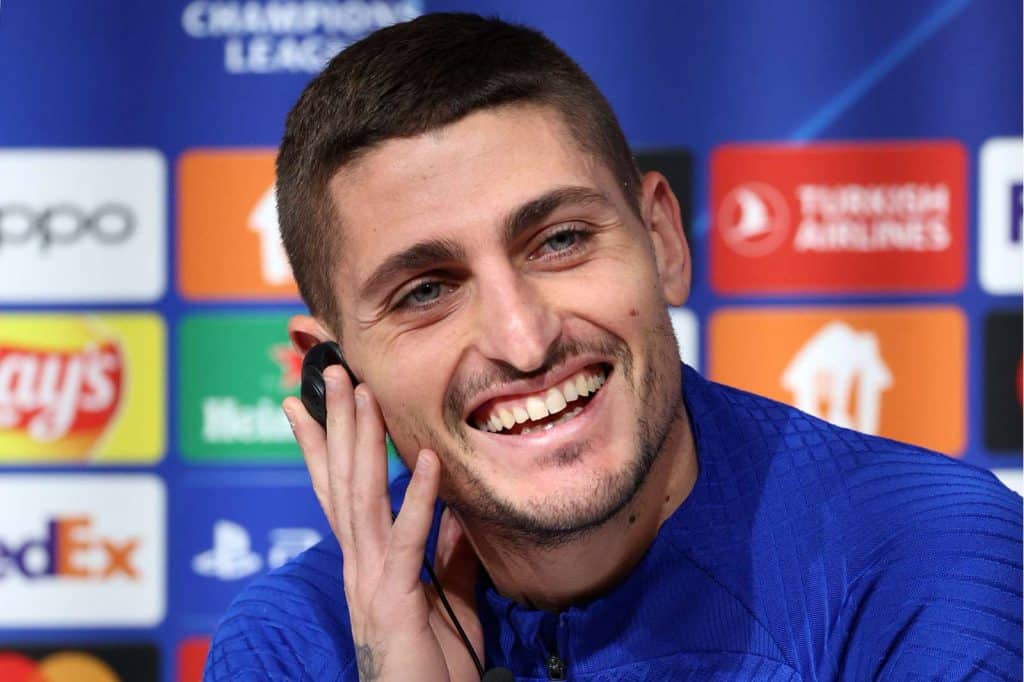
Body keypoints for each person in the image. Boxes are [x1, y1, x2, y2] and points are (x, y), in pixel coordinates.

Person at [205, 13, 1022, 681]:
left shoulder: (925, 561)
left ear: (662, 239)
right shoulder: (292, 645)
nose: (524, 340)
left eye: (559, 241)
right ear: (336, 372)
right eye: (425, 292)